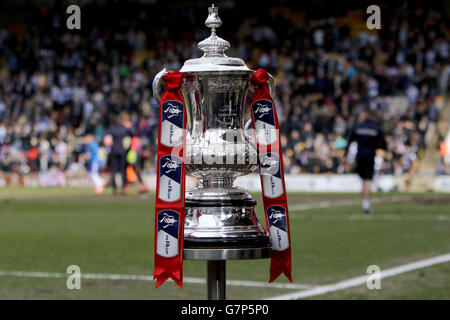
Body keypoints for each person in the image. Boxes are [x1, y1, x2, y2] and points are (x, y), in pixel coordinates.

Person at [345, 110, 387, 213]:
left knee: (363, 180)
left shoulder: (357, 127)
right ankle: (366, 205)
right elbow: (383, 144)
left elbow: (349, 140)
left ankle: (365, 203)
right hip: (370, 156)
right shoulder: (376, 128)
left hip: (360, 156)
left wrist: (346, 154)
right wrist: (376, 146)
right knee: (368, 180)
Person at [104, 113, 134, 195]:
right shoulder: (126, 129)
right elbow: (133, 135)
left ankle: (114, 189)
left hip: (114, 151)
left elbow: (106, 139)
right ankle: (125, 188)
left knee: (114, 170)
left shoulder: (112, 129)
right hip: (123, 151)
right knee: (123, 170)